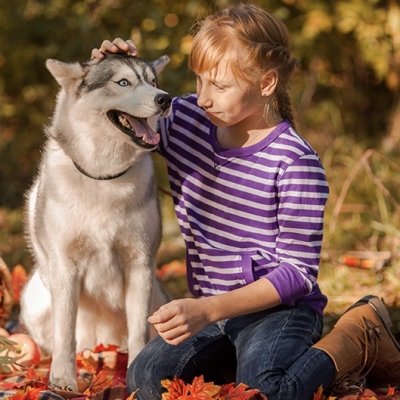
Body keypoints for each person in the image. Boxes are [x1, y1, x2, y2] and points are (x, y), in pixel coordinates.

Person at [91, 3, 400, 399]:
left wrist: (207, 310)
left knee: (264, 391)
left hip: (279, 312)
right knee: (147, 378)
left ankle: (355, 337)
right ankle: (241, 363)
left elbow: (297, 274)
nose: (202, 97)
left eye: (219, 86)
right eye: (199, 81)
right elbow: (117, 117)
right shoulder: (185, 121)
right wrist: (114, 71)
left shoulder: (294, 163)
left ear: (266, 82)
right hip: (214, 314)